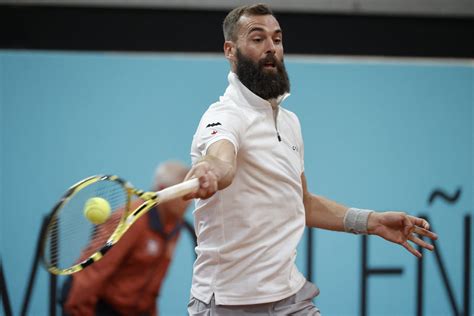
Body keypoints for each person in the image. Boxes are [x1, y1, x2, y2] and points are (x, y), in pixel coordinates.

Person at [184, 4, 438, 315]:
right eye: (257, 39)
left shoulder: (290, 122)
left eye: (277, 40)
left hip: (289, 297)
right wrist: (210, 171)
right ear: (230, 50)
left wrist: (371, 221)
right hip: (228, 303)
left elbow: (301, 202)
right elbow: (221, 159)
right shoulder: (223, 116)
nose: (270, 49)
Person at [63, 161, 191, 316]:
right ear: (163, 189)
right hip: (97, 306)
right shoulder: (130, 220)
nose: (190, 202)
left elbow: (153, 281)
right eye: (184, 195)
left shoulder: (175, 225)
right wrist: (78, 310)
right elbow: (93, 273)